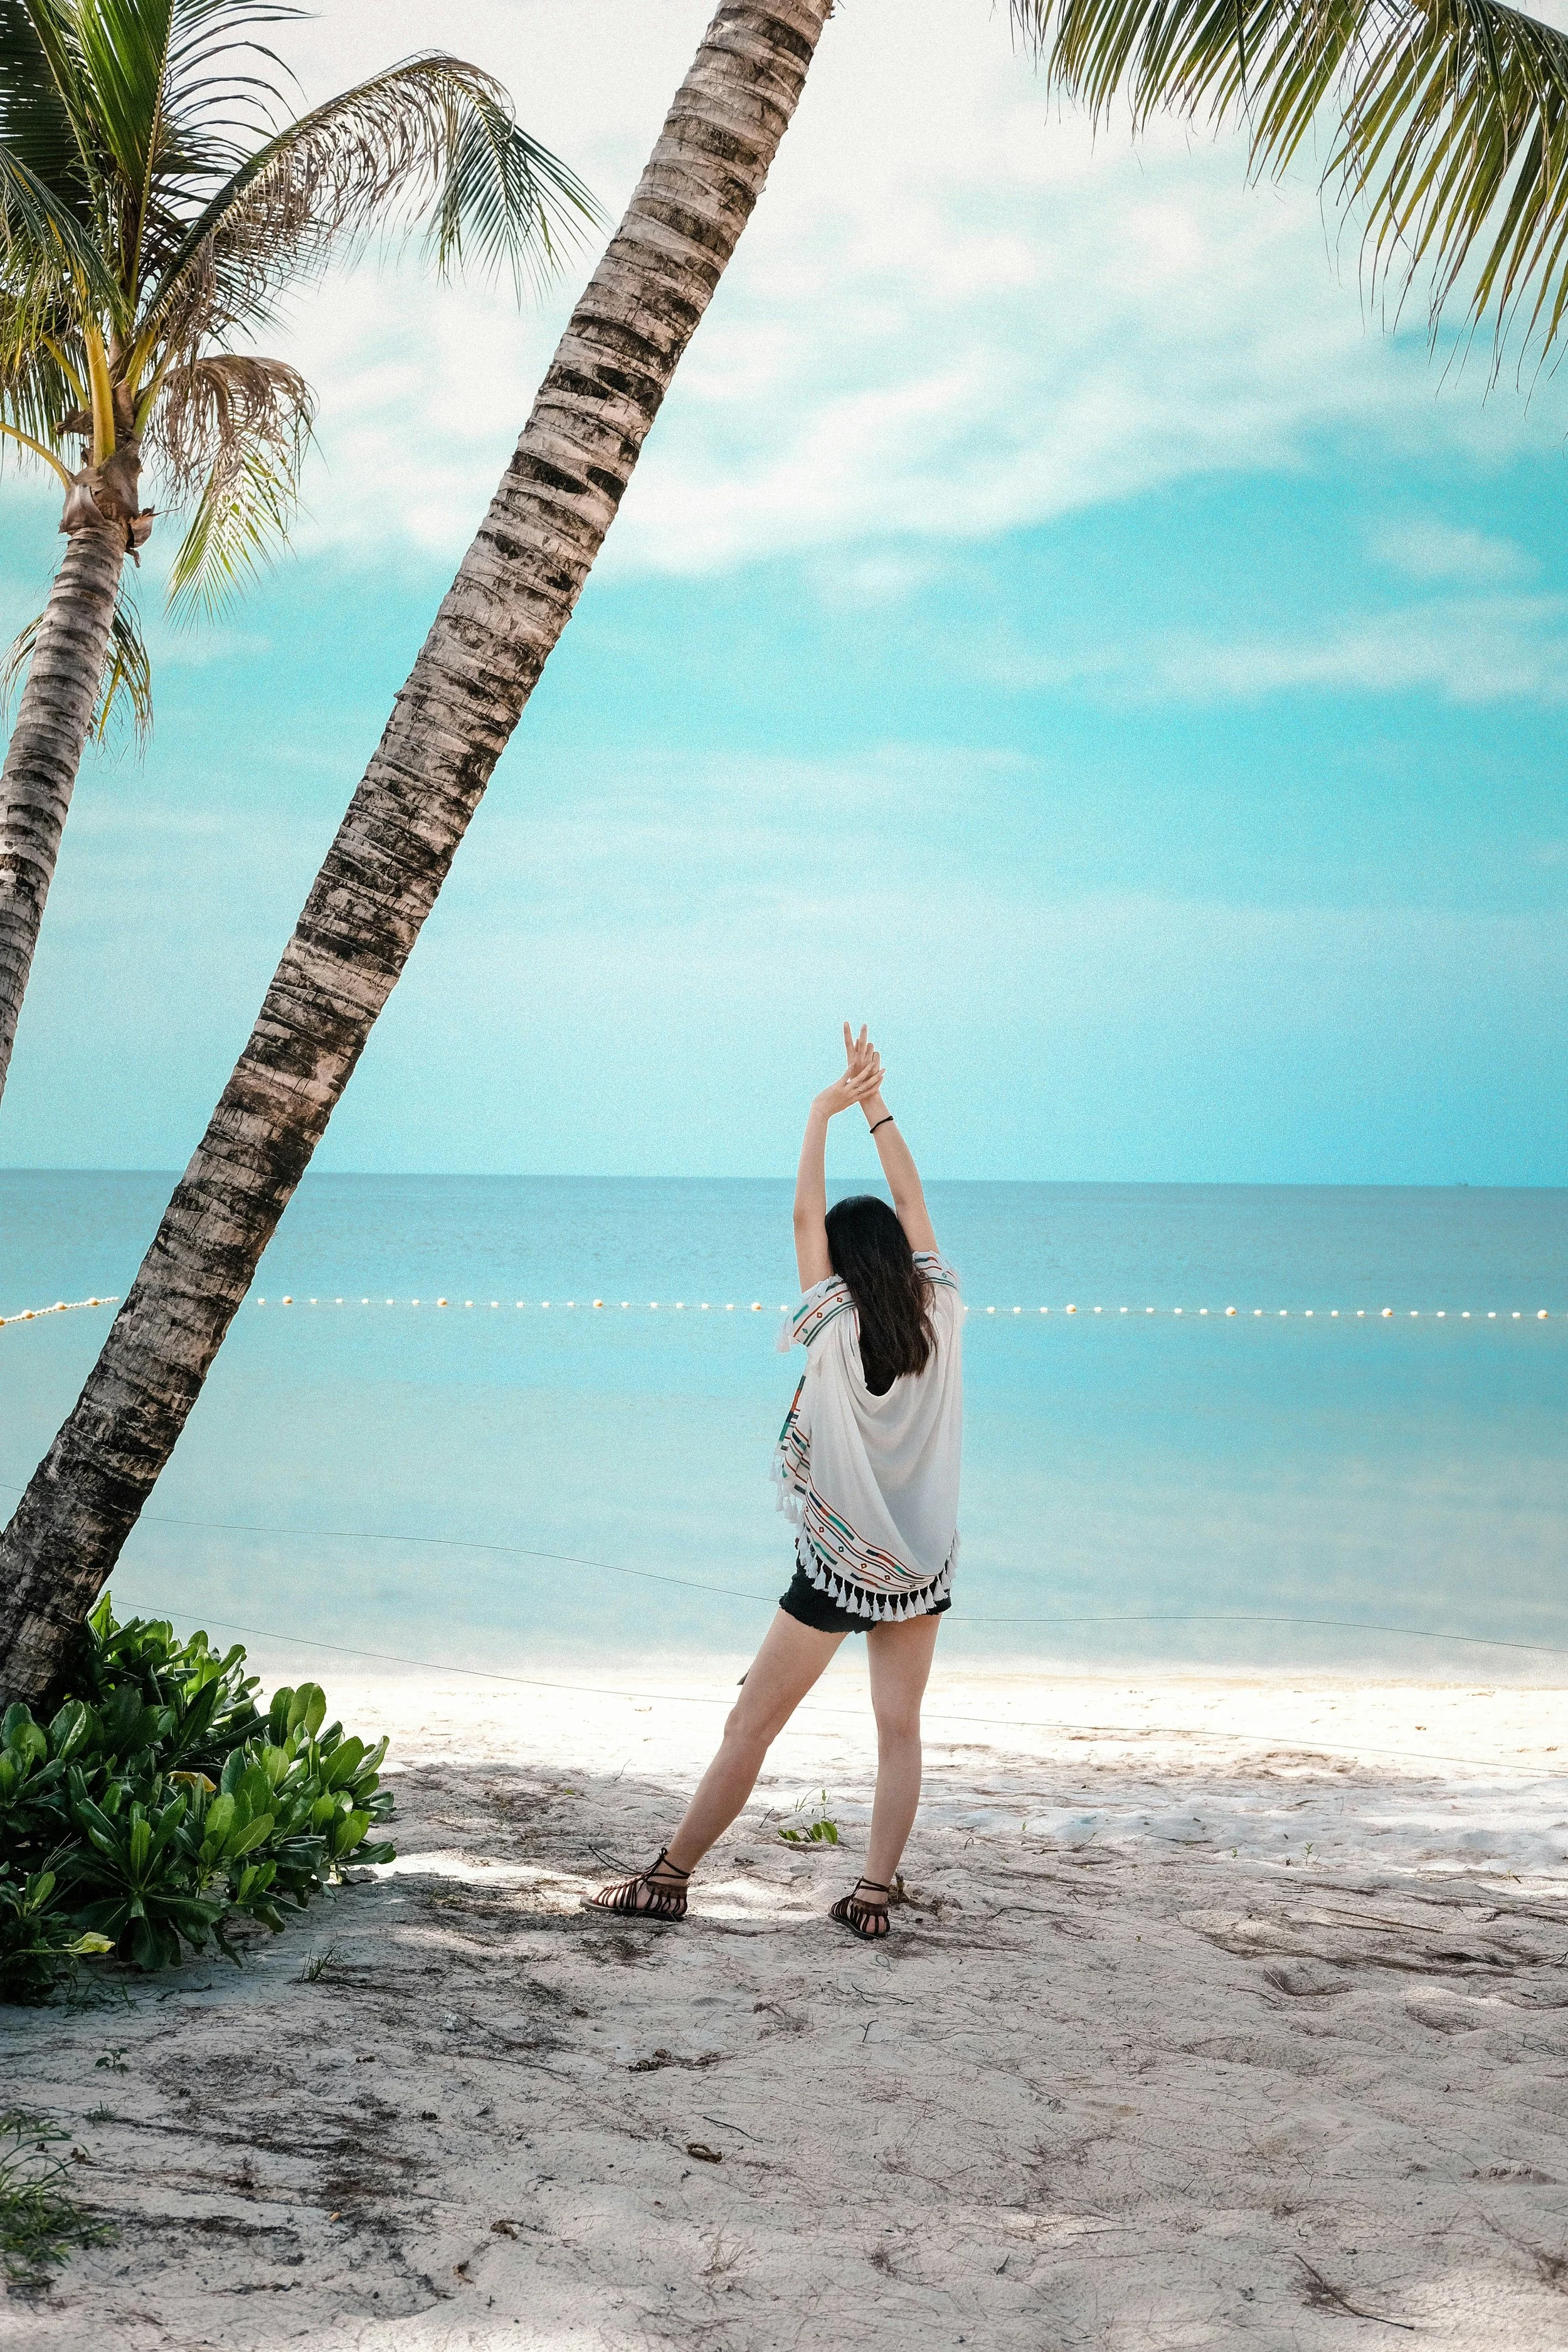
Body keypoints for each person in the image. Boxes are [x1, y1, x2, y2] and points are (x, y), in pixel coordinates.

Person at [588, 1025, 963, 1940]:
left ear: (840, 1266)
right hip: (920, 1566)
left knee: (749, 1725)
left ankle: (669, 1877)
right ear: (905, 1259)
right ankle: (873, 1895)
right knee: (899, 1732)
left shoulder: (832, 1326)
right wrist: (874, 1105)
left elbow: (805, 1219)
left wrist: (817, 1112)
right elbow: (913, 1198)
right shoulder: (945, 1309)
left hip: (839, 1567)